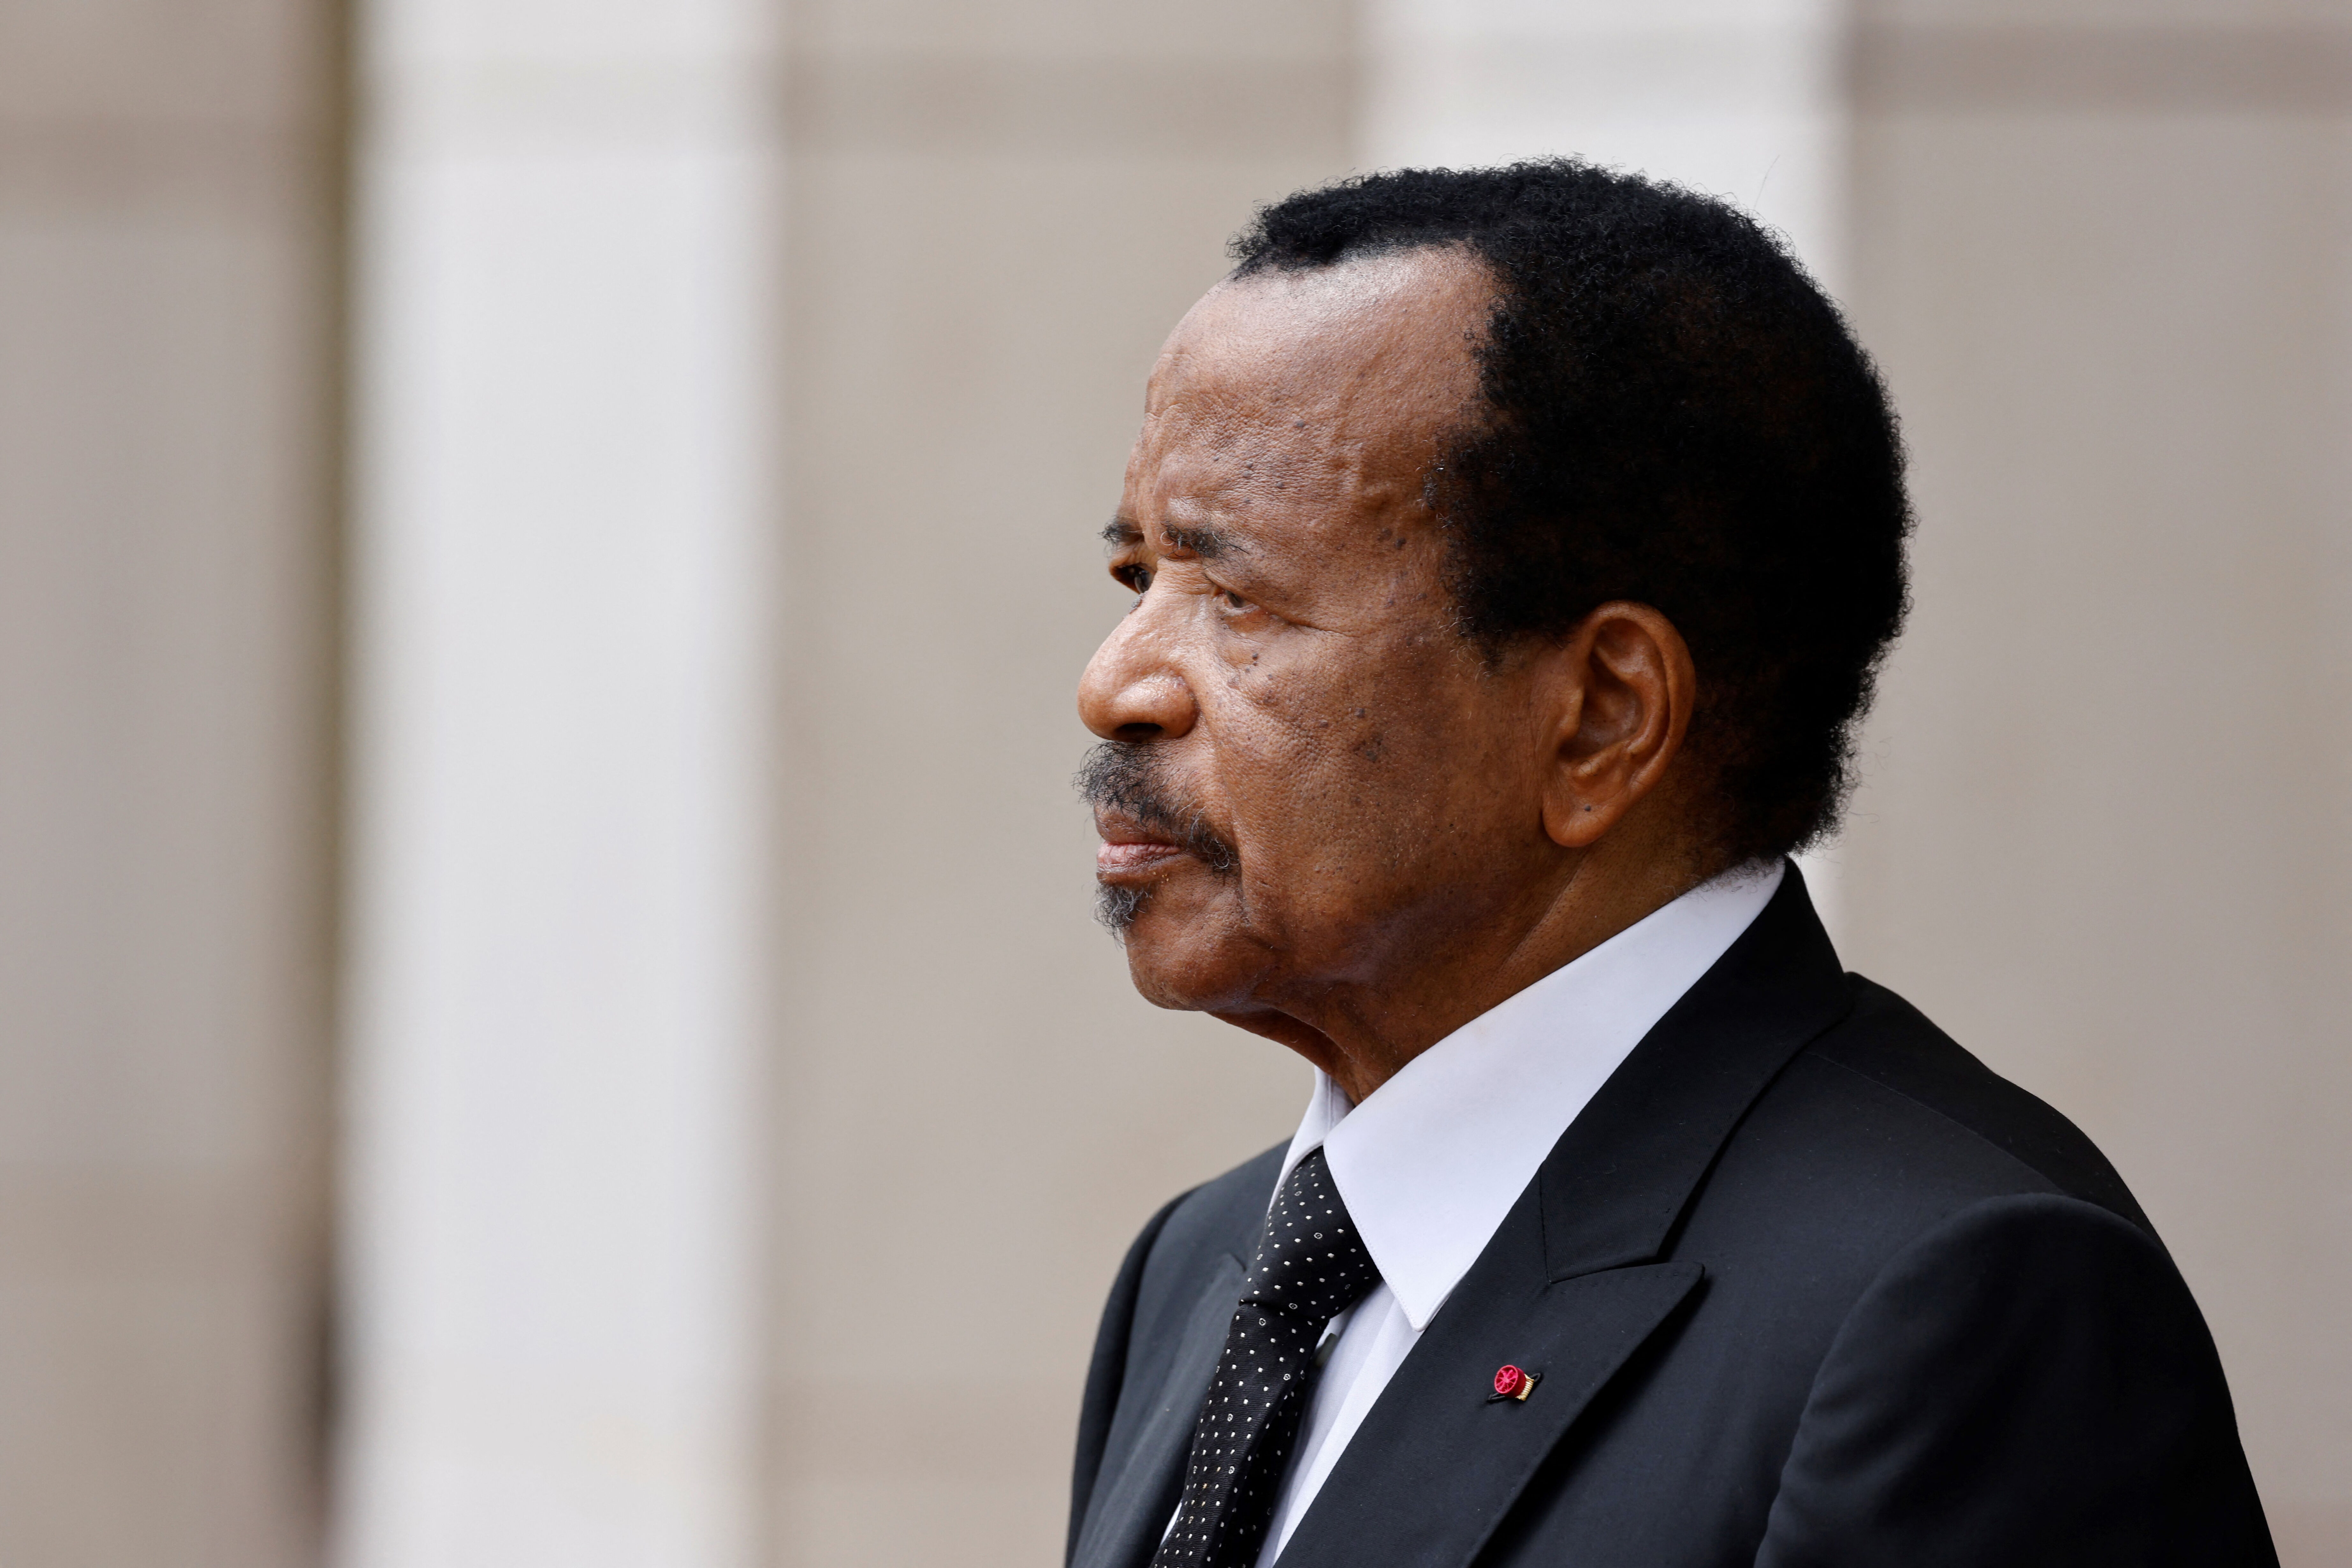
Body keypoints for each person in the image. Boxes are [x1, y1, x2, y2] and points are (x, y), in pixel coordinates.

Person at [1065, 162, 2274, 1568]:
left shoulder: (1959, 1306)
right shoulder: (1205, 1268)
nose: (1114, 684)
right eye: (1138, 577)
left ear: (1601, 718)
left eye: (1236, 595)